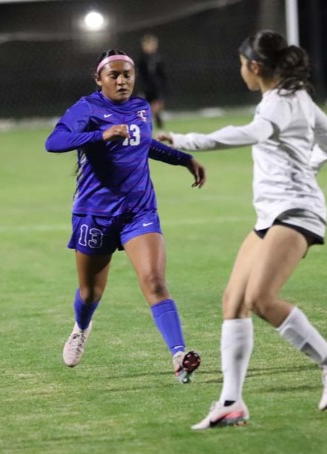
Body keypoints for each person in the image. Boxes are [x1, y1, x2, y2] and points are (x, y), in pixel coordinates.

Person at [158, 30, 327, 426]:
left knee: (262, 299)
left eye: (241, 65)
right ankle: (230, 402)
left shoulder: (279, 103)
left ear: (254, 66)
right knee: (233, 301)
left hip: (295, 211)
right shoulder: (294, 97)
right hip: (273, 214)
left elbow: (251, 134)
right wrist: (310, 166)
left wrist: (185, 140)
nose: (240, 71)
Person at [45, 49, 206, 383]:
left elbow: (143, 144)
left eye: (127, 75)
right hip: (95, 213)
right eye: (114, 75)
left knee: (155, 282)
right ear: (99, 79)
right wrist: (99, 135)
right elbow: (54, 141)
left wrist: (183, 159)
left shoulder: (141, 108)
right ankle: (81, 328)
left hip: (138, 210)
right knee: (90, 292)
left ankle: (179, 356)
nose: (121, 81)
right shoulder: (87, 108)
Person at [137, 34, 167, 130]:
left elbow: (162, 74)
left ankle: (158, 125)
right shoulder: (142, 59)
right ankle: (146, 124)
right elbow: (141, 74)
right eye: (148, 45)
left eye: (153, 44)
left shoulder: (158, 58)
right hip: (146, 87)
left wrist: (163, 85)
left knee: (158, 105)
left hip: (157, 87)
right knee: (148, 107)